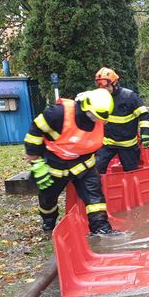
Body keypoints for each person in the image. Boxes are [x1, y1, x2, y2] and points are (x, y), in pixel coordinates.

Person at [23, 88, 118, 235]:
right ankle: (49, 225)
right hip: (54, 164)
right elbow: (35, 131)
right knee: (47, 198)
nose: (97, 120)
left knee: (95, 198)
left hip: (83, 165)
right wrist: (35, 161)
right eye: (94, 116)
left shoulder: (100, 118)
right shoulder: (58, 113)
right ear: (86, 106)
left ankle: (101, 229)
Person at [93, 67, 149, 173]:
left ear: (114, 83)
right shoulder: (100, 99)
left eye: (106, 87)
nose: (103, 91)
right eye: (100, 87)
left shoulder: (129, 97)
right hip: (108, 143)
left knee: (131, 173)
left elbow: (144, 115)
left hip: (127, 145)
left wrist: (145, 134)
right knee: (96, 168)